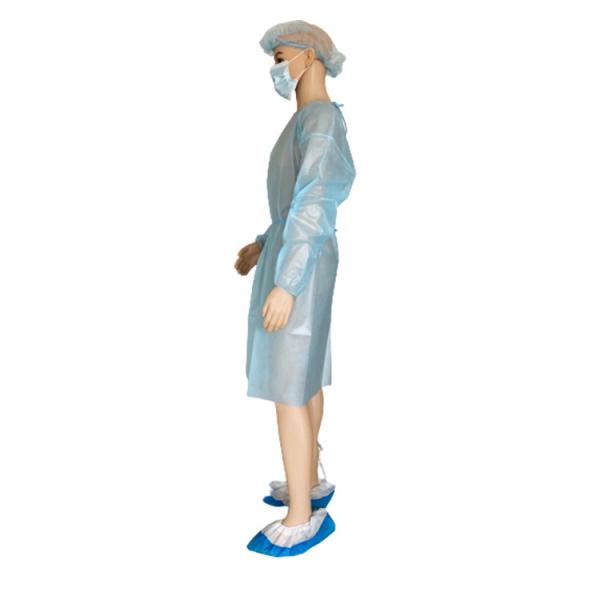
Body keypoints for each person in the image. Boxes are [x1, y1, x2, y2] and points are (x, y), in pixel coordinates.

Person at [234, 20, 356, 557]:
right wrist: (264, 244)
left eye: (281, 57)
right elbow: (292, 207)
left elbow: (315, 202)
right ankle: (308, 478)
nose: (277, 69)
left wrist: (287, 281)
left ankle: (303, 517)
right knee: (302, 378)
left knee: (289, 382)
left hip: (301, 263)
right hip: (291, 252)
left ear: (310, 57)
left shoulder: (322, 120)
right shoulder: (305, 121)